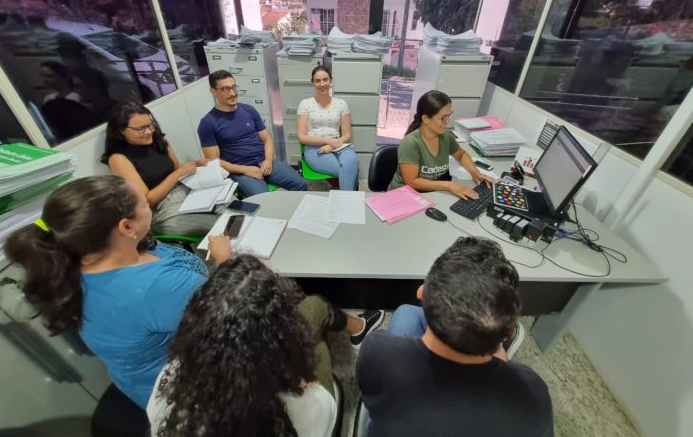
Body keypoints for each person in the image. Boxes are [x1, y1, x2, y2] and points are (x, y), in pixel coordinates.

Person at [3, 176, 233, 409]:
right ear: (126, 226)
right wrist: (225, 262)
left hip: (138, 382)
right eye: (144, 204)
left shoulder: (75, 262)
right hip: (189, 391)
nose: (149, 206)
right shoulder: (161, 286)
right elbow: (232, 320)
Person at [149, 255, 370, 436]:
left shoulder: (169, 380)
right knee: (315, 315)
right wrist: (303, 373)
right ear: (277, 339)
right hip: (309, 400)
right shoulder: (306, 407)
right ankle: (360, 327)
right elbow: (324, 404)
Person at [356, 237, 554, 437]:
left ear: (422, 293)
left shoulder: (377, 351)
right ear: (509, 330)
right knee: (407, 314)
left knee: (406, 313)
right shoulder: (533, 391)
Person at [101, 101, 218, 238]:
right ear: (121, 130)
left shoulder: (160, 141)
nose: (149, 131)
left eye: (150, 125)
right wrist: (177, 174)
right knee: (217, 225)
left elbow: (177, 168)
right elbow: (146, 200)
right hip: (162, 208)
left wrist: (194, 164)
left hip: (185, 190)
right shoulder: (118, 159)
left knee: (231, 208)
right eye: (140, 129)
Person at [198, 69, 308, 197]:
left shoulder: (248, 110)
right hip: (241, 170)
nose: (233, 93)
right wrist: (246, 170)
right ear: (213, 91)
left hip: (264, 162)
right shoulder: (208, 123)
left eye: (234, 87)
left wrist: (267, 160)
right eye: (225, 89)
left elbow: (267, 138)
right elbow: (214, 161)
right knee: (264, 200)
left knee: (301, 184)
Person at [389, 90, 493, 199]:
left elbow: (461, 155)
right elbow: (412, 182)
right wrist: (448, 185)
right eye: (443, 118)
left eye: (449, 115)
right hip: (404, 195)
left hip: (430, 193)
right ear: (426, 119)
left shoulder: (445, 137)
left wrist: (475, 173)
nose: (447, 121)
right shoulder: (410, 143)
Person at [297, 65, 359, 190]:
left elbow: (347, 134)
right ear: (313, 83)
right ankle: (348, 203)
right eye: (317, 81)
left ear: (330, 81)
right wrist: (328, 141)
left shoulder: (341, 104)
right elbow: (302, 137)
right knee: (346, 170)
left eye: (325, 79)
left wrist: (332, 145)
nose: (322, 84)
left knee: (352, 161)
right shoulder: (305, 104)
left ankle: (342, 198)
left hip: (339, 145)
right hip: (315, 150)